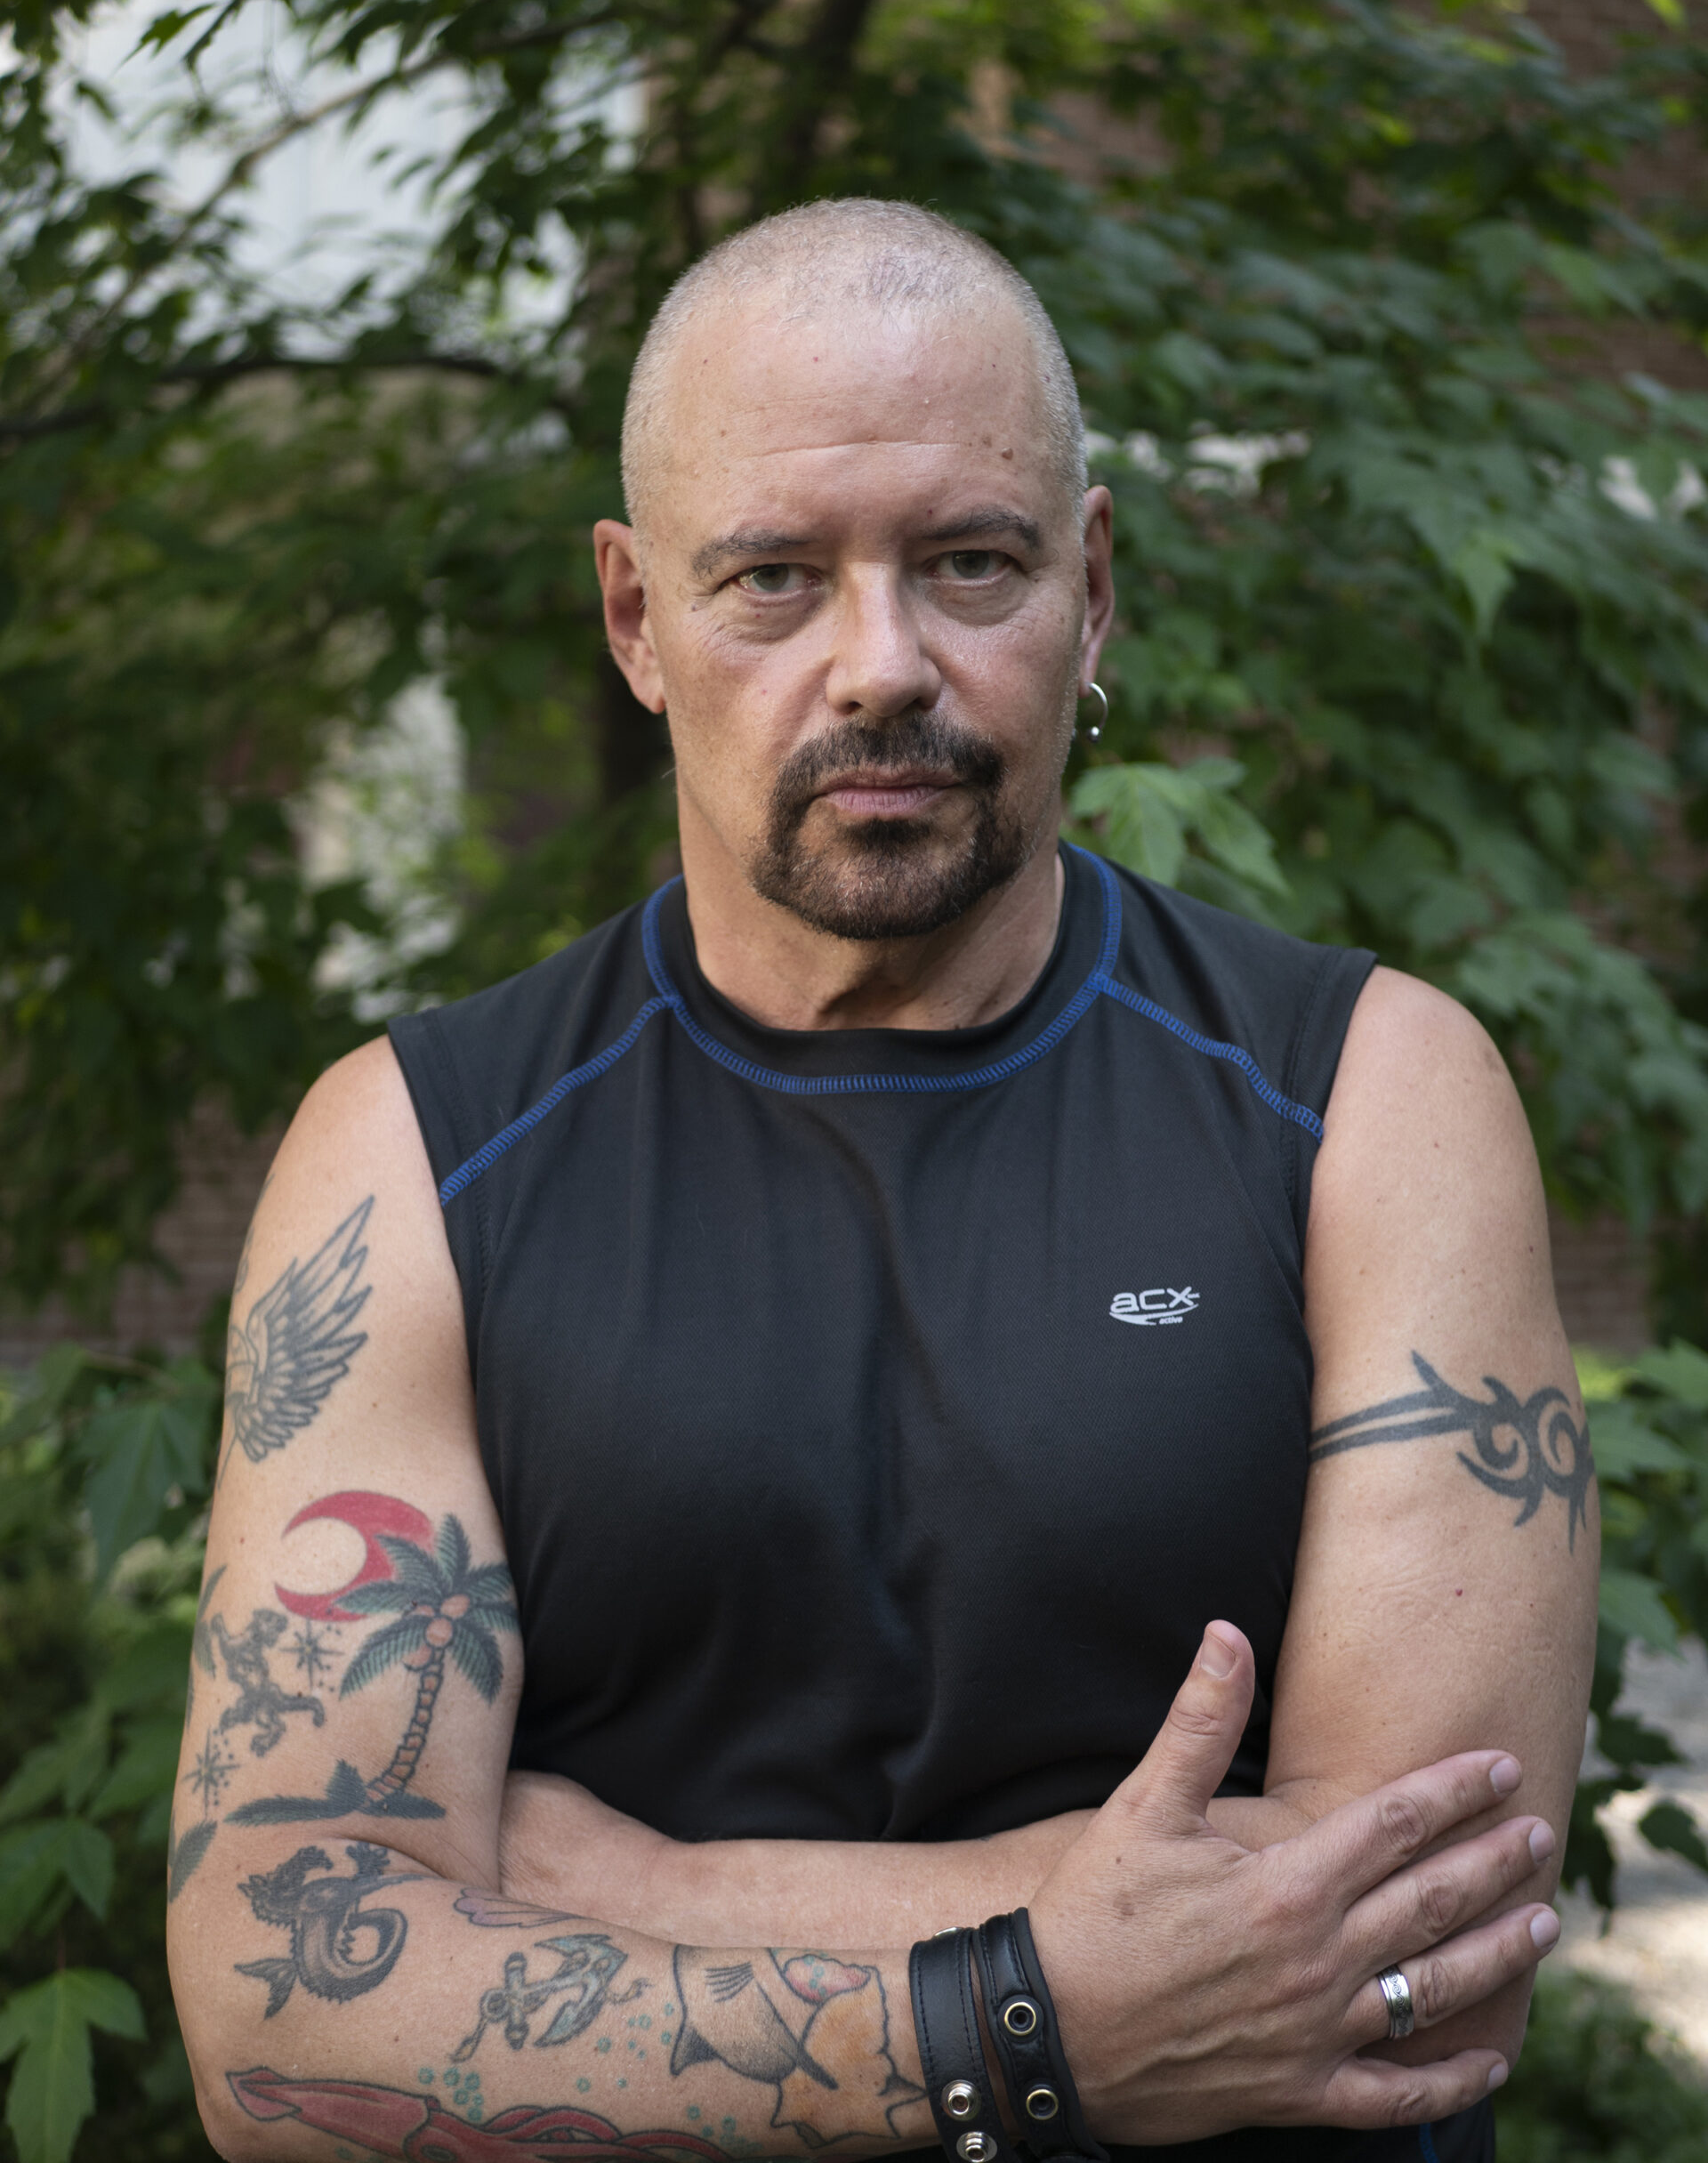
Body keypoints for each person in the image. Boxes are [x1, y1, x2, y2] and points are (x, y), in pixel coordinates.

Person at [168, 201, 1596, 2163]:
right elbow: (275, 2019)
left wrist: (609, 1877)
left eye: (971, 562)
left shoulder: (1370, 1099)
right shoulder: (406, 1153)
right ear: (635, 618)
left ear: (1090, 589)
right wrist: (1038, 2011)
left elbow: (1429, 1938)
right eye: (770, 575)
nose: (880, 664)